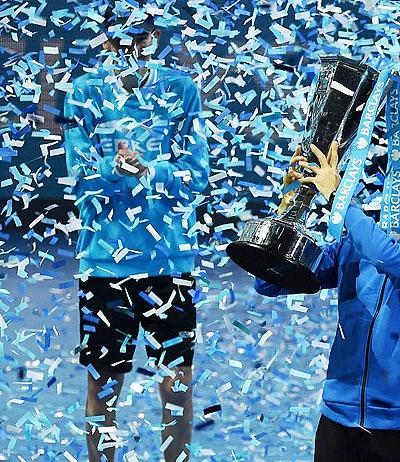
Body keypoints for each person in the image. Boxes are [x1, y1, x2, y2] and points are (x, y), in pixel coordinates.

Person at [256, 142, 400, 461]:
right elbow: (269, 281)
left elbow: (394, 258)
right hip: (336, 423)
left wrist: (338, 195)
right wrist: (294, 204)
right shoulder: (357, 244)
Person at [63, 3, 209, 461]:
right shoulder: (82, 93)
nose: (130, 49)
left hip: (170, 261)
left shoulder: (181, 89)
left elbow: (197, 175)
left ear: (153, 38)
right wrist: (115, 166)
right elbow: (78, 177)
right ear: (104, 42)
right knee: (103, 390)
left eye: (139, 37)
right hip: (105, 264)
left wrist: (150, 169)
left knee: (177, 389)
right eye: (119, 40)